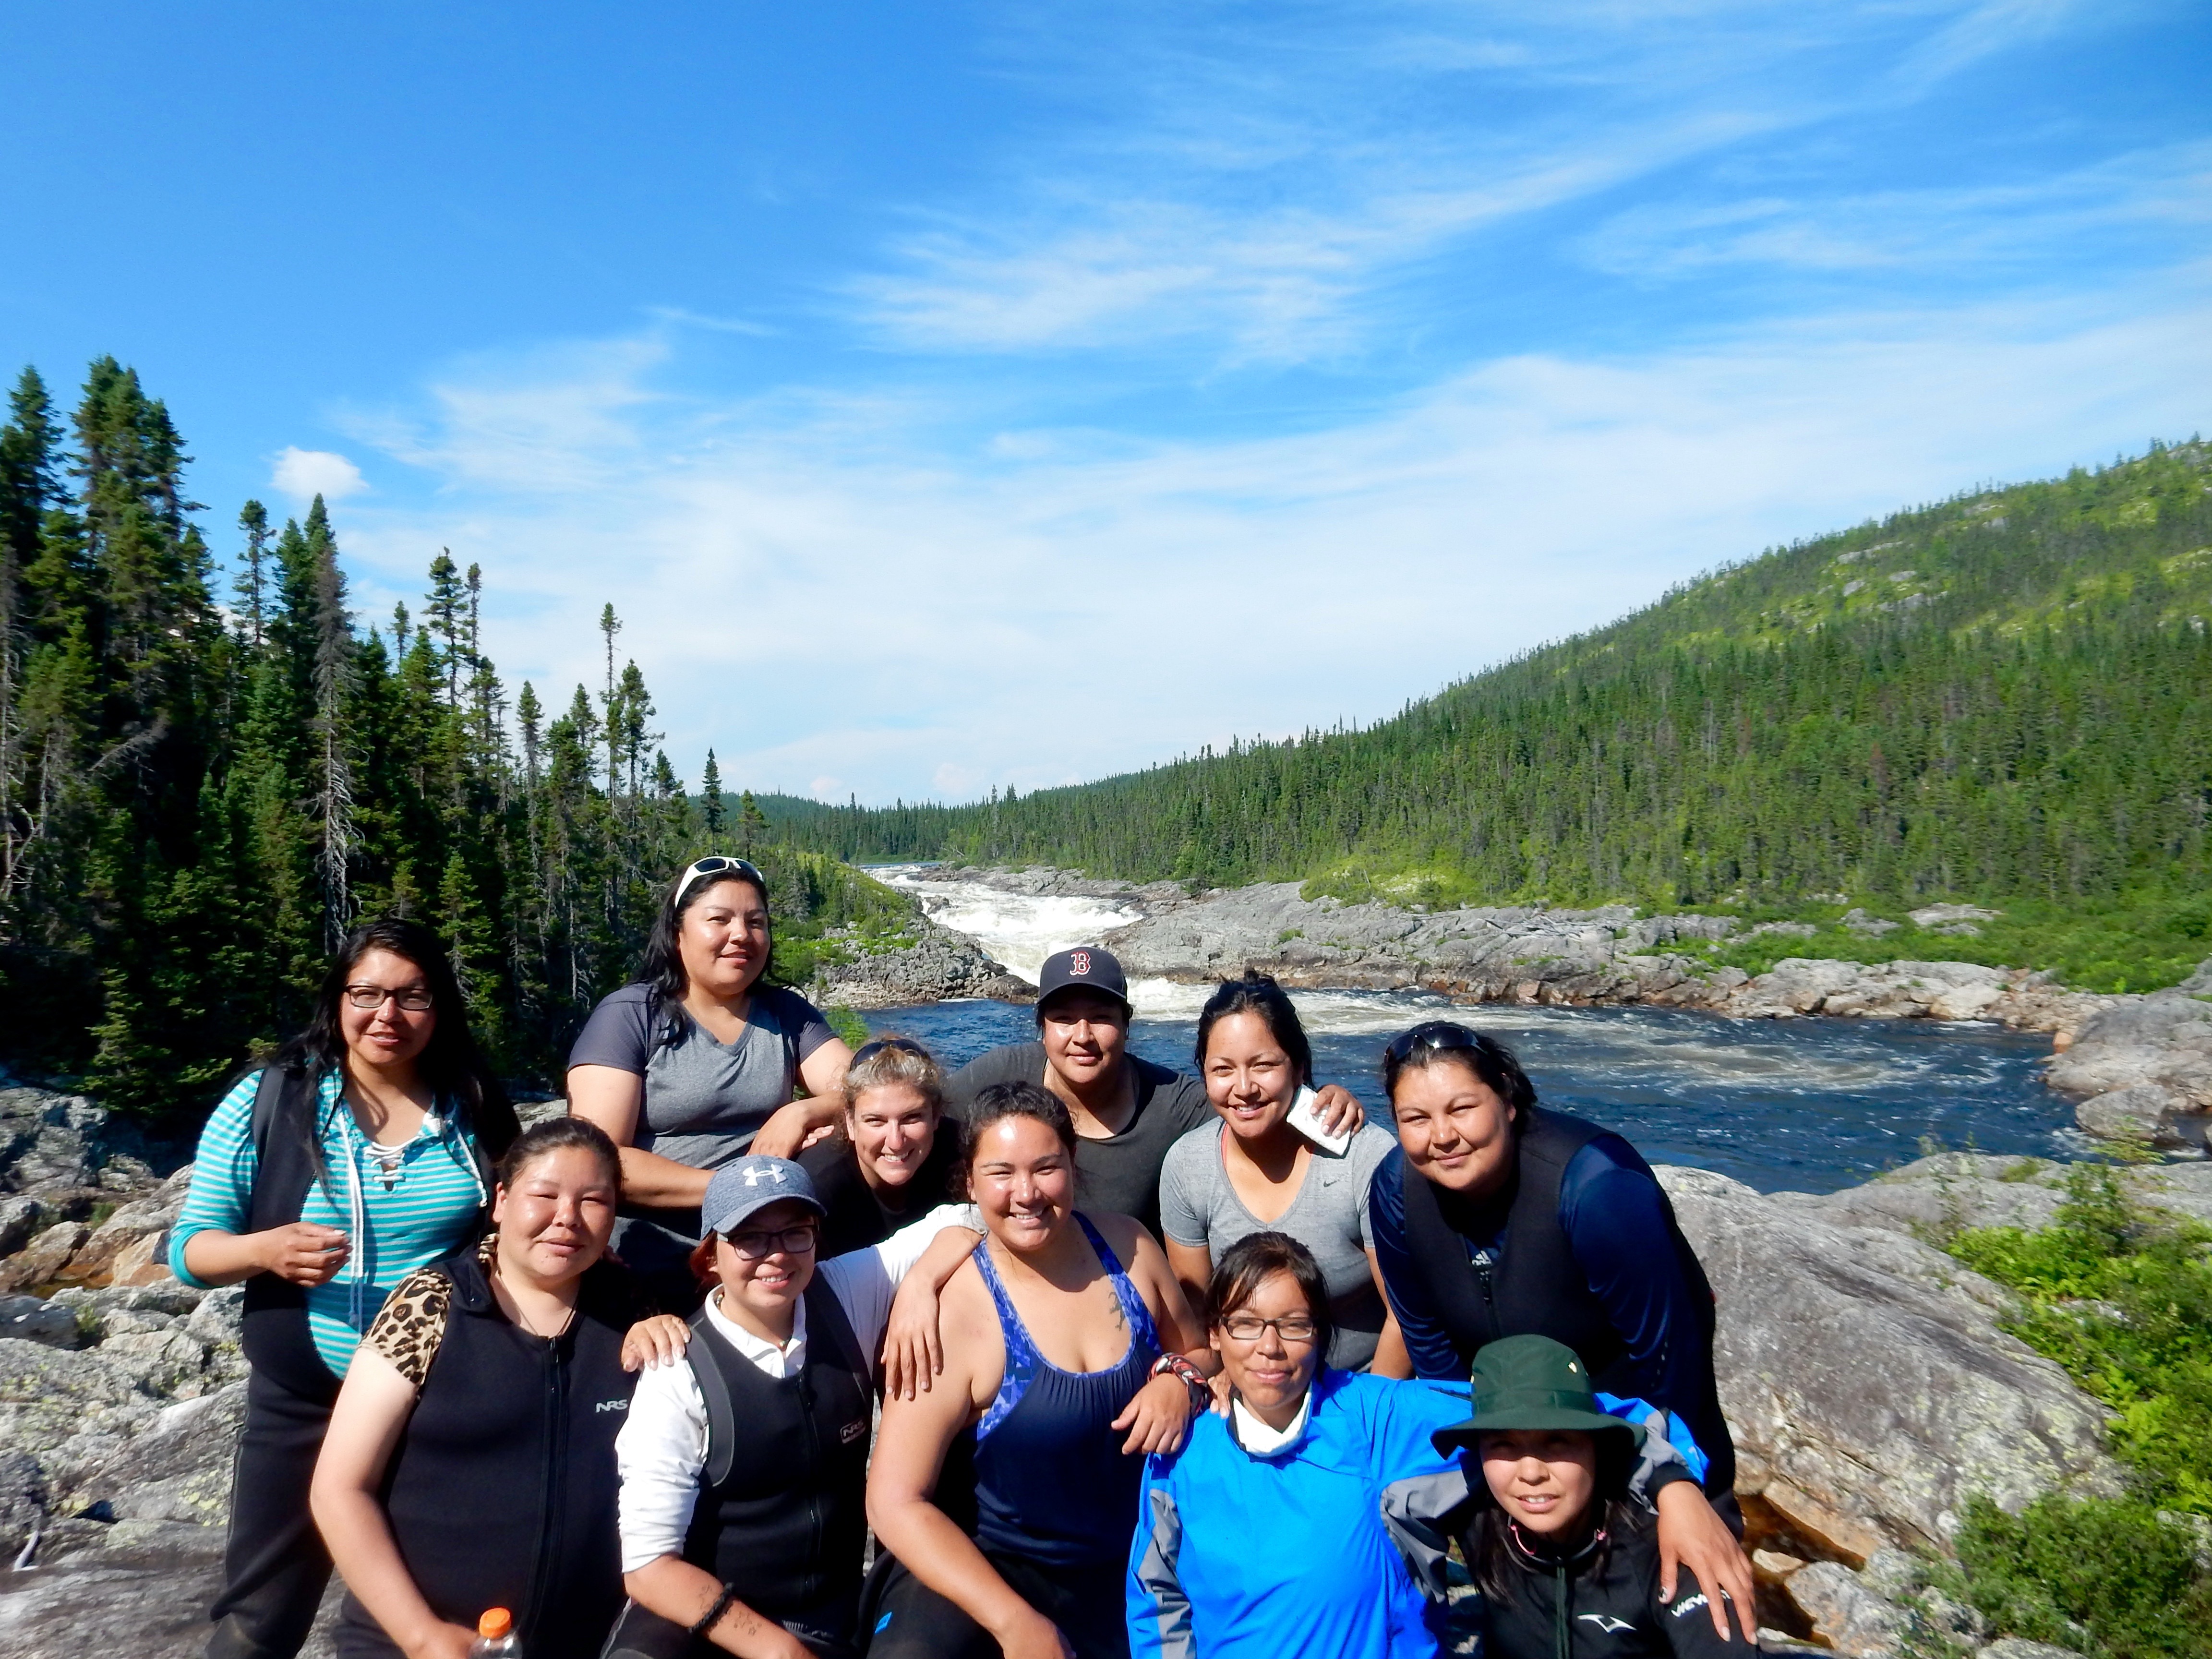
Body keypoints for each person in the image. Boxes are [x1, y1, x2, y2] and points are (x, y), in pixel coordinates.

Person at [171, 916, 522, 1659]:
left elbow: (518, 1216)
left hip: (431, 1398)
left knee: (432, 1607)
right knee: (262, 1614)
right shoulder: (275, 1099)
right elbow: (191, 1250)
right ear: (337, 999)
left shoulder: (471, 1102)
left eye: (413, 997)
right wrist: (263, 1250)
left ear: (441, 1007)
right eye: (367, 993)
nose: (387, 1016)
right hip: (300, 1399)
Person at [1365, 1022, 1755, 1641]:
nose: (1442, 1136)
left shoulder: (1598, 1187)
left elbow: (1672, 1359)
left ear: (1510, 1101)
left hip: (1631, 1436)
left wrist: (1684, 1486)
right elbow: (1432, 1352)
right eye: (1415, 1118)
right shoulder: (1394, 1193)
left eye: (1463, 1108)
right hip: (1514, 1448)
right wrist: (1490, 1473)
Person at [310, 1117, 683, 1659]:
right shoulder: (432, 1302)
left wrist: (668, 1332)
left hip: (583, 1642)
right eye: (545, 1194)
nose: (566, 1218)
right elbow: (340, 1487)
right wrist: (421, 1635)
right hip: (414, 1641)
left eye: (593, 1201)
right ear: (502, 1201)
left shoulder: (631, 1310)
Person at [864, 1082, 1213, 1659]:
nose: (1025, 1194)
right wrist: (1012, 1623)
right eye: (1001, 1173)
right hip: (995, 1574)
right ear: (970, 1185)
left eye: (1046, 1167)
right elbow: (895, 1501)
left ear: (1074, 1166)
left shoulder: (1129, 1246)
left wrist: (1181, 1381)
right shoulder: (957, 1311)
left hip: (1133, 1563)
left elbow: (1202, 1353)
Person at [608, 1155, 983, 1659]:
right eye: (750, 1237)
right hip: (713, 1618)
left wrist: (918, 1285)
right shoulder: (675, 1370)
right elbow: (649, 1565)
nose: (777, 1256)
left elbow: (965, 1220)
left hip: (835, 1612)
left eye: (794, 1232)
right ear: (711, 1256)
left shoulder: (847, 1289)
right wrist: (777, 1650)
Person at [1127, 1233, 1473, 1659]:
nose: (1269, 1348)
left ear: (1320, 1334)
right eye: (1246, 1324)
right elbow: (1156, 1598)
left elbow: (1516, 1413)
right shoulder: (1182, 1450)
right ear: (1215, 1335)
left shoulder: (1372, 1420)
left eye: (1294, 1325)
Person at [569, 856, 856, 1308]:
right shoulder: (631, 1016)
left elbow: (870, 1089)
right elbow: (591, 1160)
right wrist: (742, 1186)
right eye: (719, 919)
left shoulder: (785, 1014)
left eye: (756, 922)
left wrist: (801, 1111)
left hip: (768, 1250)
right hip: (655, 1257)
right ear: (678, 933)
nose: (741, 935)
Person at [941, 948, 1358, 1238]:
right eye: (1064, 1019)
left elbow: (1252, 1104)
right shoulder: (999, 1075)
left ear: (1127, 1025)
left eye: (1101, 1018)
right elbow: (910, 1113)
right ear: (1043, 1027)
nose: (1082, 1036)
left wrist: (1323, 1099)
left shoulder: (1171, 1101)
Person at [1438, 1335, 1752, 1659]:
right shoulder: (1476, 1515)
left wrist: (1674, 1483)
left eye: (1557, 1441)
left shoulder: (1666, 1545)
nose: (1531, 1473)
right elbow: (1387, 1404)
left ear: (1597, 1446)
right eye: (1503, 1444)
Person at [1158, 976, 1402, 1371]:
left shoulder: (1362, 1155)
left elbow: (1406, 1315)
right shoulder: (1188, 1165)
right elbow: (1201, 1313)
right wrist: (1221, 1385)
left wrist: (1369, 1413)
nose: (1244, 1088)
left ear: (1299, 1069)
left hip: (1362, 1386)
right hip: (1248, 1388)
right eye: (1222, 1069)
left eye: (1264, 1065)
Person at [799, 1037, 964, 1258]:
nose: (896, 1142)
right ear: (850, 1121)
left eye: (912, 1118)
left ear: (936, 1116)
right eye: (876, 1121)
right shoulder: (817, 1188)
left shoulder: (965, 1154)